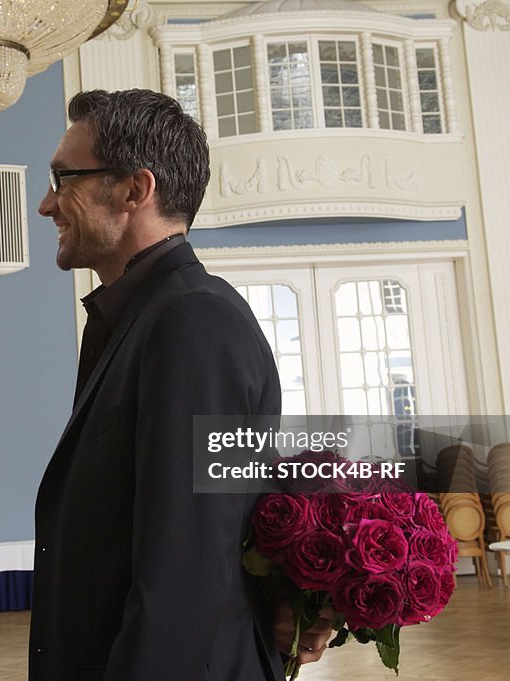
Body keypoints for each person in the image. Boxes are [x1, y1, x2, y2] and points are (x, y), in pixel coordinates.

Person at [29, 89, 331, 681]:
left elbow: (187, 566)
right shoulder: (146, 317)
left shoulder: (192, 320)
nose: (47, 205)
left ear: (134, 190)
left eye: (64, 178)